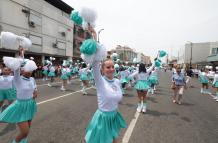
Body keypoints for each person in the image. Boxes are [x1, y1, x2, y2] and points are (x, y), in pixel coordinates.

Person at [0, 48, 38, 143]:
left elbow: (34, 88)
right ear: (21, 70)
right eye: (26, 69)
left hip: (30, 104)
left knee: (28, 129)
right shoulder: (18, 79)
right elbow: (17, 65)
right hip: (20, 106)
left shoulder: (32, 79)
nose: (29, 71)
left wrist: (35, 92)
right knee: (24, 132)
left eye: (30, 70)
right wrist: (21, 54)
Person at [85, 58, 126, 143]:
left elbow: (117, 97)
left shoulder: (117, 81)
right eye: (108, 67)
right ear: (102, 70)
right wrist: (96, 55)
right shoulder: (100, 81)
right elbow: (95, 66)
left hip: (114, 116)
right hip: (103, 118)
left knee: (114, 139)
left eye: (112, 66)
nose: (111, 69)